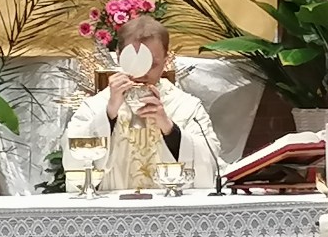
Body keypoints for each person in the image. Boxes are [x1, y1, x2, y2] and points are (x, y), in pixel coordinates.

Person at [63, 17, 221, 190]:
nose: (143, 72)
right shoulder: (94, 107)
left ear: (166, 59)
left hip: (169, 205)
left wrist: (170, 129)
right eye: (133, 61)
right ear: (119, 56)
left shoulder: (186, 106)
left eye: (152, 64)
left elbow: (209, 162)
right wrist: (108, 115)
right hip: (113, 205)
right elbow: (74, 162)